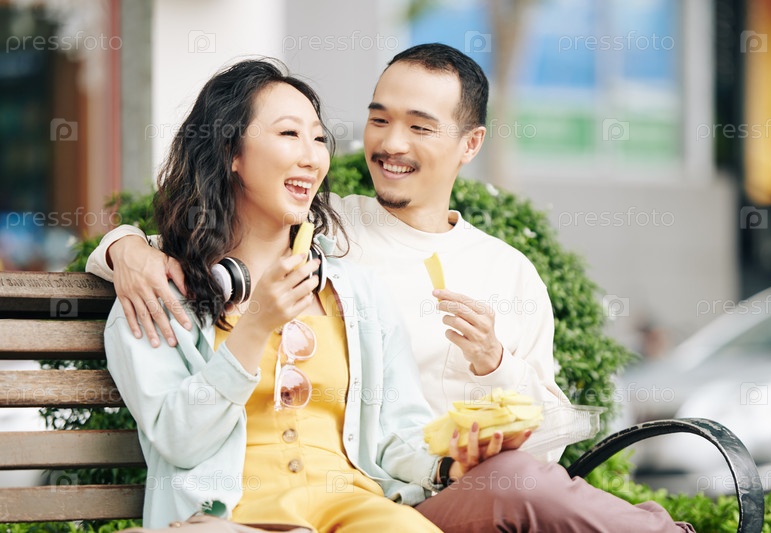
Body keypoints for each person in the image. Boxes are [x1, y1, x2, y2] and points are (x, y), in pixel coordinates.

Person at [92, 45, 693, 532]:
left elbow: (409, 435)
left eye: (319, 138)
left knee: (524, 481)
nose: (389, 144)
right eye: (378, 120)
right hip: (241, 513)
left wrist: (476, 405)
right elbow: (179, 429)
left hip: (384, 499)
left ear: (470, 145)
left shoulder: (386, 283)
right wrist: (126, 249)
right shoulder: (322, 236)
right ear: (231, 152)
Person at [104, 57, 515, 531]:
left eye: (319, 138)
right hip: (231, 517)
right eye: (288, 134)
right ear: (230, 152)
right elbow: (179, 440)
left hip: (353, 508)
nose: (312, 156)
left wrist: (445, 465)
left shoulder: (358, 293)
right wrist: (254, 327)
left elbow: (396, 435)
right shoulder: (155, 294)